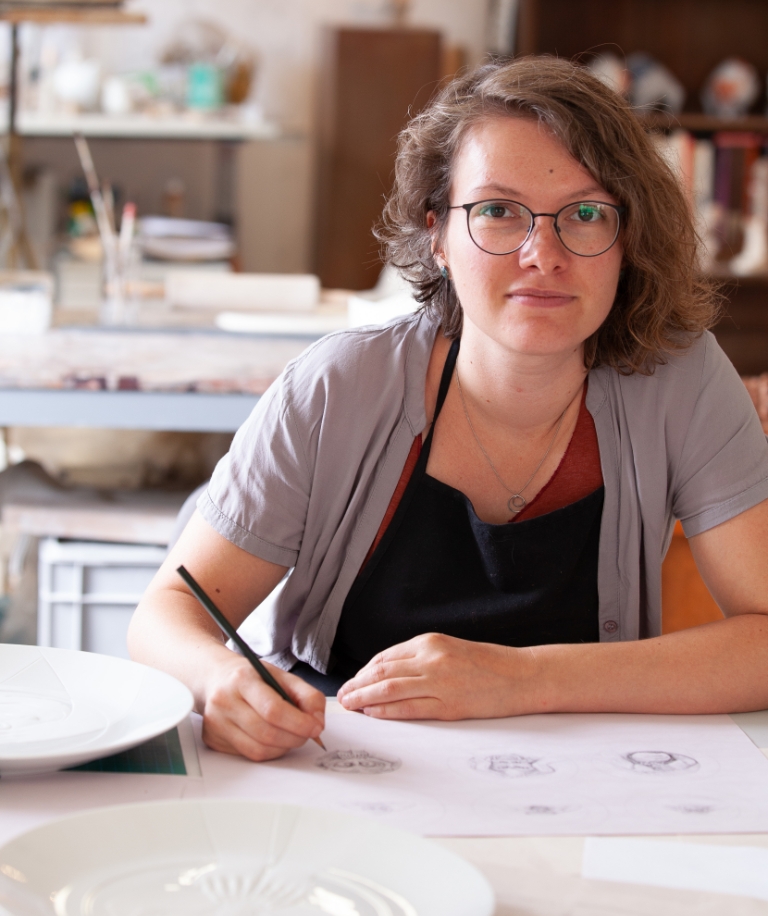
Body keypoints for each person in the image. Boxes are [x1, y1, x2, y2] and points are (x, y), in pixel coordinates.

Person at [128, 56, 768, 763]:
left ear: (629, 239)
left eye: (586, 214)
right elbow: (165, 615)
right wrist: (219, 681)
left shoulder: (682, 381)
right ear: (437, 236)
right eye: (497, 211)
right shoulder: (336, 388)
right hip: (341, 770)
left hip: (580, 782)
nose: (542, 254)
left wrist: (522, 679)